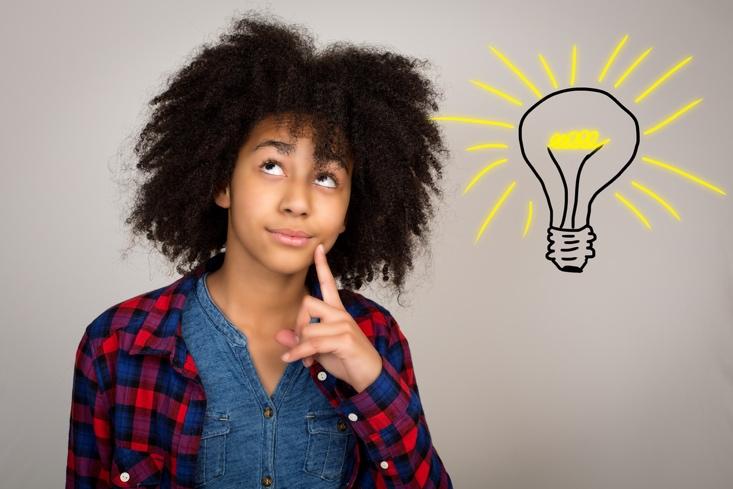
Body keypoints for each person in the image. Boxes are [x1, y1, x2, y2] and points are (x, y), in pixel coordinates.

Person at [66, 10, 453, 489]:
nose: (297, 202)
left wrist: (371, 381)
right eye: (272, 166)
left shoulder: (375, 338)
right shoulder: (118, 345)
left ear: (352, 210)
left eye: (327, 177)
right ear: (221, 182)